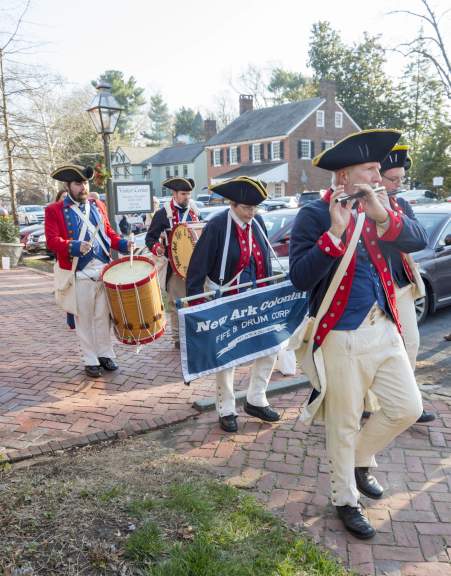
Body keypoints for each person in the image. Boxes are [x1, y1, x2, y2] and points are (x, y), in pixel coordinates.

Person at [289, 130, 427, 539]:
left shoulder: (384, 205)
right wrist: (333, 234)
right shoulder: (314, 214)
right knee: (343, 424)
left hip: (384, 328)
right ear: (346, 175)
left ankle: (360, 459)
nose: (380, 175)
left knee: (408, 407)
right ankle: (345, 498)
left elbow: (415, 240)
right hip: (340, 335)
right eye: (371, 169)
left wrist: (383, 214)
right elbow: (299, 278)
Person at [186, 176, 281, 433]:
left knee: (271, 347)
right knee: (228, 356)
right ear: (233, 204)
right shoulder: (218, 225)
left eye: (254, 208)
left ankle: (256, 399)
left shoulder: (257, 222)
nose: (251, 213)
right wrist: (197, 307)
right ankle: (226, 408)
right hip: (228, 300)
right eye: (246, 208)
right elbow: (197, 268)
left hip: (258, 299)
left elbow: (265, 261)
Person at [45, 164, 132, 378]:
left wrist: (123, 245)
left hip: (103, 270)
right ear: (68, 185)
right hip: (79, 273)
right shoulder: (54, 210)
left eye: (85, 183)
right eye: (78, 183)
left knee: (104, 316)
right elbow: (52, 241)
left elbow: (108, 233)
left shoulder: (96, 205)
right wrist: (73, 246)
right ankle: (90, 358)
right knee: (83, 319)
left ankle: (105, 354)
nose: (83, 187)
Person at [379, 145, 435, 423]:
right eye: (394, 179)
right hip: (375, 288)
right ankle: (371, 403)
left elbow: (418, 238)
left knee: (410, 343)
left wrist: (391, 214)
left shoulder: (403, 205)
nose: (400, 184)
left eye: (401, 178)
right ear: (378, 177)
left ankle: (409, 400)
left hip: (401, 284)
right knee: (376, 351)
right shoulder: (363, 204)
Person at [145, 177, 199, 349]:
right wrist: (157, 248)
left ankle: (193, 333)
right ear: (174, 194)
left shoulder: (194, 211)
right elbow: (150, 238)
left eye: (189, 194)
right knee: (177, 303)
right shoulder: (163, 214)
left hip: (194, 265)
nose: (187, 197)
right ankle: (178, 337)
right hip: (174, 266)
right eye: (183, 194)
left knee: (194, 300)